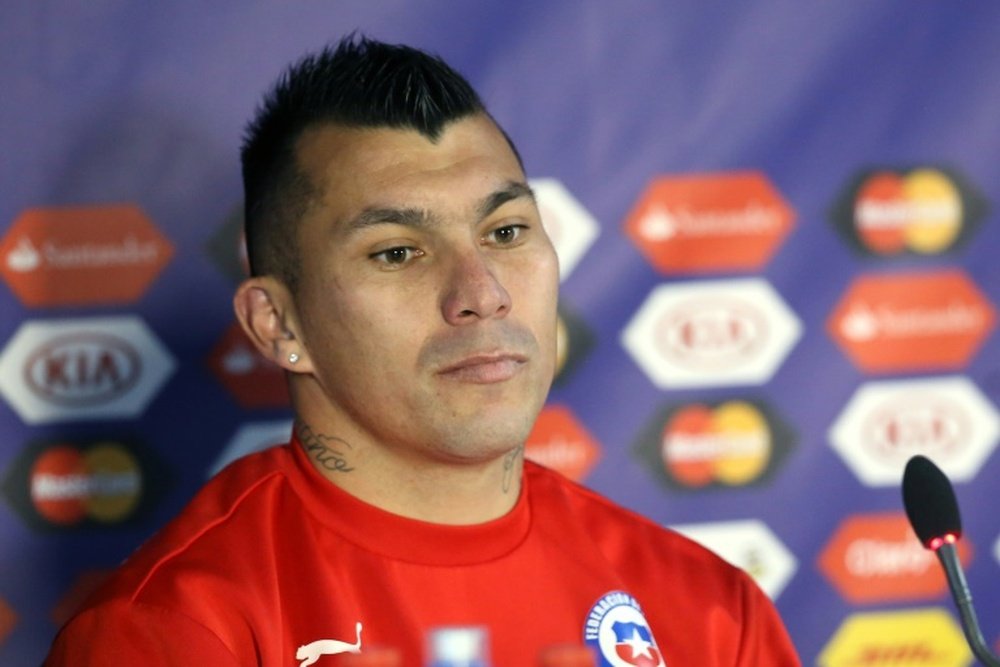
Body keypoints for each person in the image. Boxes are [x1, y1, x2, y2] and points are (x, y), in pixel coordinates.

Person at [45, 35, 801, 666]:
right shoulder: (171, 631)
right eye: (399, 251)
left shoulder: (711, 612)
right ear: (279, 325)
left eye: (506, 233)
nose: (481, 292)